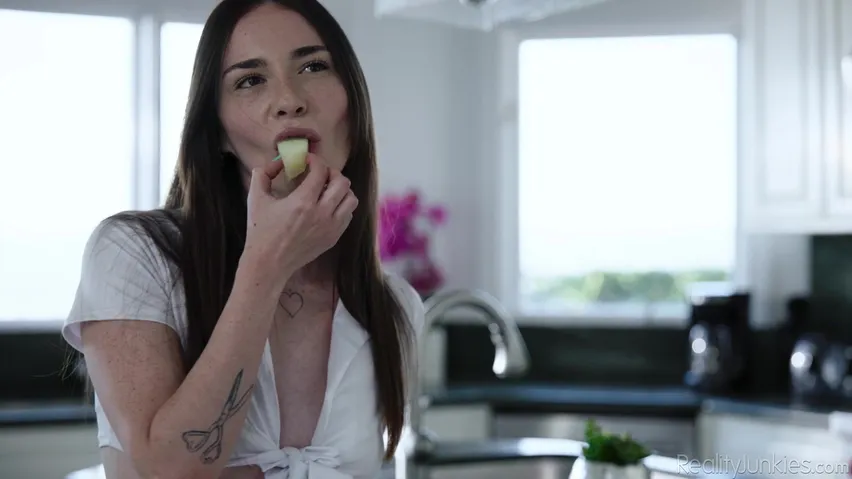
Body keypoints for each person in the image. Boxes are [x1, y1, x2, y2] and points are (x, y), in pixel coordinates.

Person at [61, 1, 424, 478]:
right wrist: (267, 265)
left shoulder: (396, 308)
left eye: (314, 67)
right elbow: (168, 471)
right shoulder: (133, 254)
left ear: (353, 109)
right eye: (250, 80)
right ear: (218, 134)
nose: (289, 100)